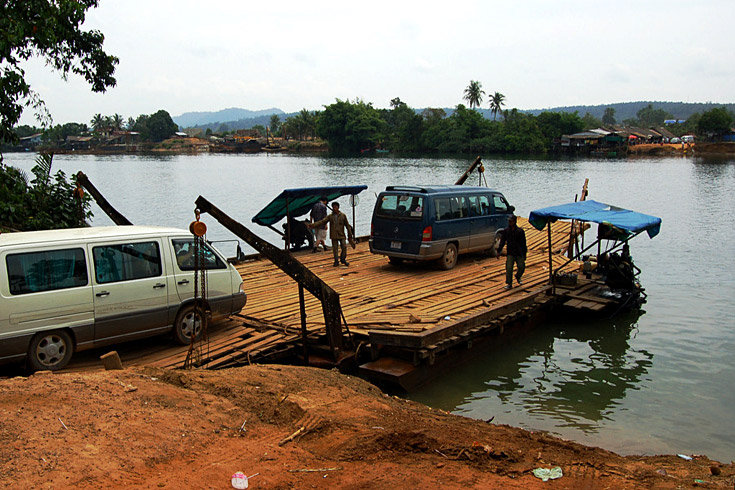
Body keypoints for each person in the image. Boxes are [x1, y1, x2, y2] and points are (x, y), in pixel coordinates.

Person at [309, 202, 354, 266]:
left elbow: (347, 226)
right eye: (333, 207)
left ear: (338, 207)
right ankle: (336, 261)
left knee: (344, 247)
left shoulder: (343, 216)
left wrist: (350, 236)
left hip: (341, 235)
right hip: (334, 235)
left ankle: (343, 259)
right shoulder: (330, 216)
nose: (334, 208)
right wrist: (313, 225)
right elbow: (322, 222)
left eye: (335, 207)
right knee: (335, 249)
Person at [496, 215, 527, 289]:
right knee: (509, 268)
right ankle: (509, 283)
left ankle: (518, 276)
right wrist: (499, 251)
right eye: (509, 221)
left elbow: (523, 243)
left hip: (519, 252)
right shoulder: (506, 231)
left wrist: (524, 253)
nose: (509, 222)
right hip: (510, 252)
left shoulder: (520, 231)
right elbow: (502, 241)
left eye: (511, 221)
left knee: (521, 267)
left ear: (514, 221)